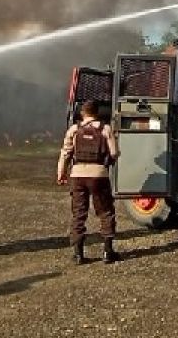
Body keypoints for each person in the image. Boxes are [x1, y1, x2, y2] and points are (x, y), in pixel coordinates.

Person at [57, 100, 120, 264]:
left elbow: (65, 153)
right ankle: (108, 252)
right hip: (99, 174)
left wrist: (61, 173)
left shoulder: (74, 129)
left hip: (77, 175)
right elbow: (114, 153)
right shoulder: (105, 129)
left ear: (82, 113)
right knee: (106, 211)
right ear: (97, 113)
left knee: (79, 213)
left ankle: (78, 254)